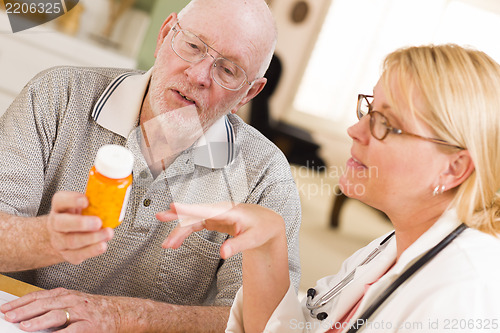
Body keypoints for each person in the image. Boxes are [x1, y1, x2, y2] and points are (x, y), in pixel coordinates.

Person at [0, 0, 302, 331]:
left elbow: (258, 324)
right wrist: (46, 237)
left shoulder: (267, 178)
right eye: (192, 46)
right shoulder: (57, 95)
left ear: (248, 94)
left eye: (228, 70)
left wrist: (124, 317)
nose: (199, 75)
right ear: (163, 36)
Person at [160, 44, 500, 332]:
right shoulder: (391, 246)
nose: (356, 130)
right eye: (370, 109)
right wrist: (269, 240)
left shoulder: (465, 293)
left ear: (454, 167)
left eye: (387, 124)